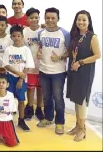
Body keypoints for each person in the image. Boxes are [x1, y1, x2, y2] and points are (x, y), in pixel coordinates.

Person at [66, 10, 101, 141]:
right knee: (76, 98)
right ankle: (77, 126)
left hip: (85, 72)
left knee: (82, 100)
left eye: (84, 20)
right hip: (73, 71)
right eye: (79, 19)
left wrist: (80, 62)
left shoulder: (92, 37)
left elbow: (97, 55)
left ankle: (83, 129)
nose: (81, 22)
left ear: (89, 22)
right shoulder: (74, 36)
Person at [37, 7, 70, 135]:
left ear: (58, 19)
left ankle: (60, 123)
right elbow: (41, 46)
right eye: (48, 18)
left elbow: (70, 52)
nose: (50, 20)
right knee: (46, 97)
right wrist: (40, 52)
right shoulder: (41, 33)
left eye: (53, 18)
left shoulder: (65, 34)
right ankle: (48, 118)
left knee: (58, 98)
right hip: (43, 70)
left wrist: (60, 57)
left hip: (58, 73)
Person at [3, 25, 35, 131]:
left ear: (22, 36)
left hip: (21, 79)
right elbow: (6, 65)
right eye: (14, 36)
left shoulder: (26, 50)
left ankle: (21, 120)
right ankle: (7, 120)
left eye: (18, 36)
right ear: (11, 37)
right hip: (10, 77)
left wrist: (21, 78)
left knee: (21, 100)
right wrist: (17, 73)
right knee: (8, 99)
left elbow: (28, 66)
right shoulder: (8, 49)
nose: (16, 38)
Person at [23, 8, 44, 120]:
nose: (34, 19)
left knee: (40, 88)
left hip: (42, 66)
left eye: (36, 17)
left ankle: (39, 108)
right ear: (27, 19)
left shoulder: (44, 31)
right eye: (31, 18)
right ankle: (30, 107)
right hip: (29, 66)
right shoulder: (24, 32)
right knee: (30, 89)